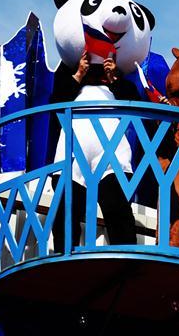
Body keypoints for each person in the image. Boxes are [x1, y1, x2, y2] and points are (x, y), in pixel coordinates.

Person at [49, 50, 140, 252]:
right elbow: (55, 103)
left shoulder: (121, 83)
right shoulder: (68, 75)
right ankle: (64, 257)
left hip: (111, 152)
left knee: (117, 205)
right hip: (72, 151)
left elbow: (136, 104)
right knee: (67, 205)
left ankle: (125, 256)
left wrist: (114, 78)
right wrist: (79, 74)